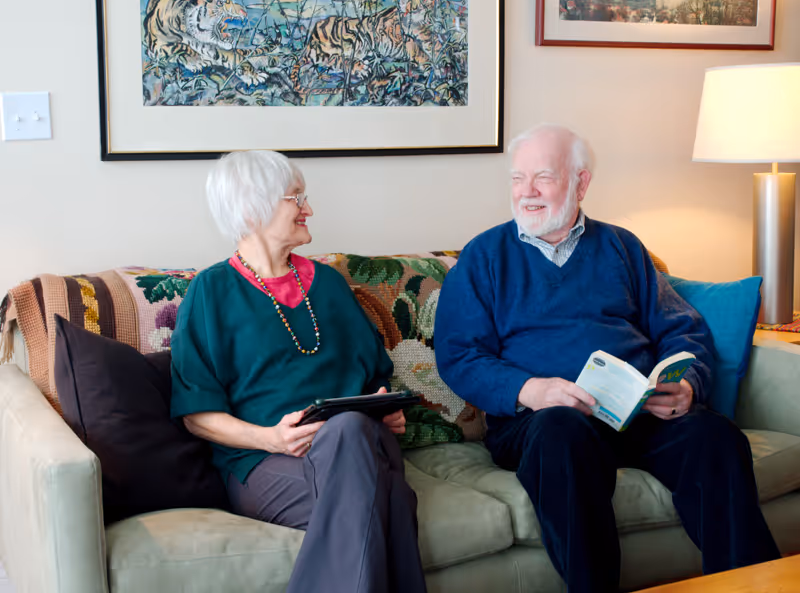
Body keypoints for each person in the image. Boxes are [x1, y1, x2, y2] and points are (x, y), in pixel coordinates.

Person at [434, 124, 780, 592]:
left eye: (543, 177)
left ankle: (752, 586)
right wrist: (531, 390)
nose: (527, 191)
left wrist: (686, 385)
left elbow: (682, 328)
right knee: (562, 433)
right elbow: (459, 354)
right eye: (517, 178)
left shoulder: (622, 246)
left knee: (715, 437)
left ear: (581, 183)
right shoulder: (484, 257)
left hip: (635, 413)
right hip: (541, 422)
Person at [171, 150, 427, 593]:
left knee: (350, 429)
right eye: (296, 198)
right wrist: (270, 438)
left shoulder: (329, 283)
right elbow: (197, 414)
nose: (309, 208)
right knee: (392, 498)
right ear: (252, 210)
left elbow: (374, 377)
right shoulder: (210, 291)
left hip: (360, 443)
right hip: (265, 461)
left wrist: (385, 407)